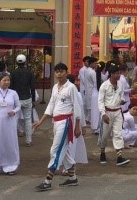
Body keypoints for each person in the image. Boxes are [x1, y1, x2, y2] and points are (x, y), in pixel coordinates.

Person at [33, 63, 83, 191]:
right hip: (56, 122)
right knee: (64, 151)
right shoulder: (55, 87)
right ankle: (73, 178)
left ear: (66, 72)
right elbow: (51, 105)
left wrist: (78, 126)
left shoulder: (71, 88)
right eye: (57, 72)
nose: (59, 74)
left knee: (54, 150)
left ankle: (48, 180)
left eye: (61, 71)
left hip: (66, 122)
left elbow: (77, 107)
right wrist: (41, 121)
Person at [98, 65, 130, 166]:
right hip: (107, 112)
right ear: (111, 74)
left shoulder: (120, 84)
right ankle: (102, 153)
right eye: (116, 73)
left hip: (117, 112)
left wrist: (122, 101)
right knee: (104, 135)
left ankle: (119, 158)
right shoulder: (104, 86)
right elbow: (100, 101)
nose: (118, 75)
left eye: (119, 73)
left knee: (118, 134)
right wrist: (103, 114)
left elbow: (122, 96)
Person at [10, 54, 35, 147]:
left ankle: (13, 141)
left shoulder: (13, 73)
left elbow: (11, 88)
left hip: (16, 99)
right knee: (28, 120)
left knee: (14, 120)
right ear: (25, 62)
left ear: (16, 62)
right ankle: (29, 140)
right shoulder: (29, 73)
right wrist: (33, 100)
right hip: (27, 98)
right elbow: (32, 87)